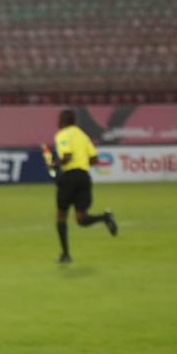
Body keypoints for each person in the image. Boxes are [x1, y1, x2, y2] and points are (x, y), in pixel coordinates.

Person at [43, 109, 118, 263]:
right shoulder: (83, 135)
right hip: (84, 177)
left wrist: (54, 165)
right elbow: (94, 159)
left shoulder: (62, 135)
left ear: (62, 121)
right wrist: (81, 163)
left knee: (61, 215)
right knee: (81, 218)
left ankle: (65, 254)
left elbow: (67, 156)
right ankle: (105, 217)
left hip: (69, 177)